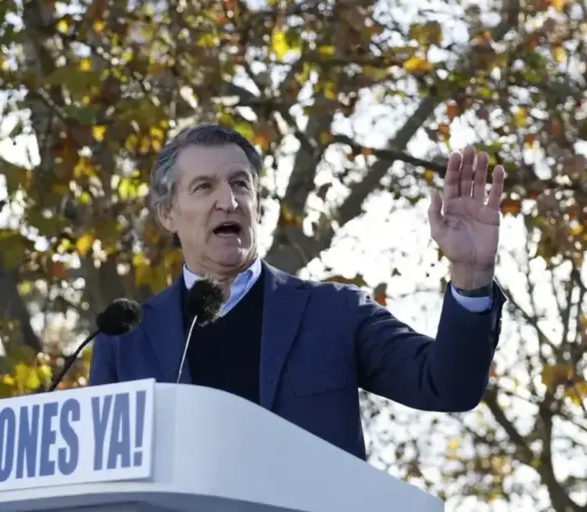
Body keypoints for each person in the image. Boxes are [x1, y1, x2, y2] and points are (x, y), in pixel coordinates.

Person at [88, 124, 506, 460]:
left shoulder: (334, 313)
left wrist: (471, 274)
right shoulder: (125, 340)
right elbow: (99, 474)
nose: (228, 201)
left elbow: (447, 385)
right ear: (167, 214)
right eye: (204, 188)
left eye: (240, 185)